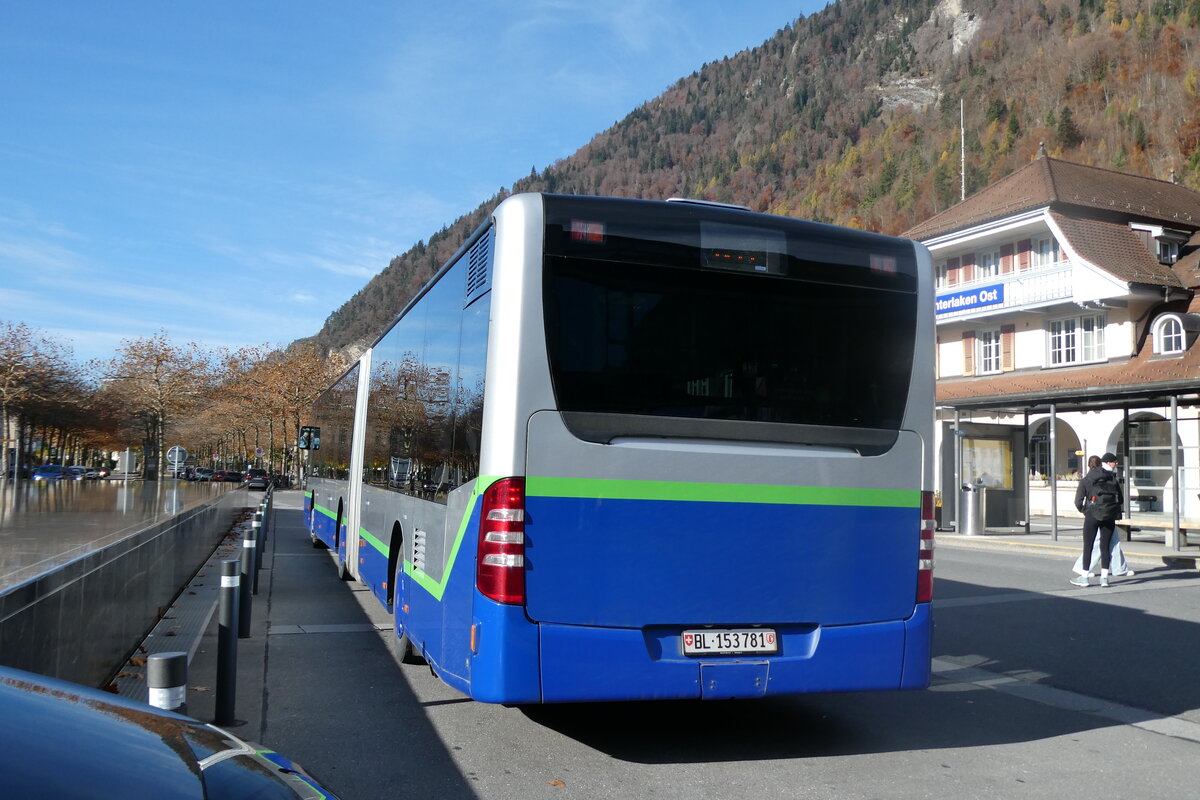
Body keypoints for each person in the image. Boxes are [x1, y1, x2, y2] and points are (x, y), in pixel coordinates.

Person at [1072, 456, 1134, 578]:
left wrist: (1086, 510)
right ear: (1102, 464)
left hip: (1093, 515)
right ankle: (1105, 578)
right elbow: (1120, 499)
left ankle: (1084, 575)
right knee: (1105, 545)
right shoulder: (1111, 478)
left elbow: (1078, 501)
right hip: (1109, 515)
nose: (1116, 464)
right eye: (1114, 462)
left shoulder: (1086, 480)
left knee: (1090, 546)